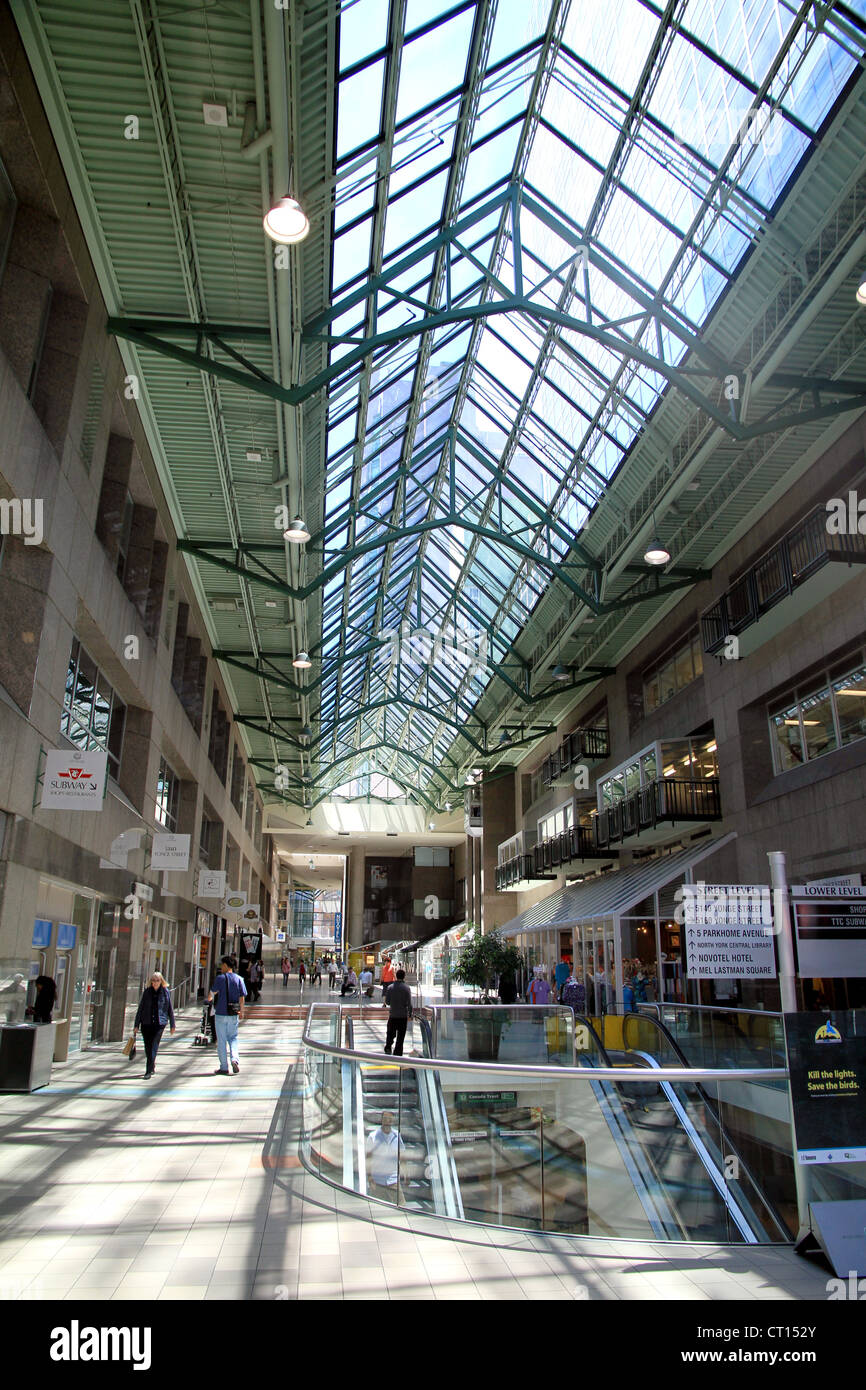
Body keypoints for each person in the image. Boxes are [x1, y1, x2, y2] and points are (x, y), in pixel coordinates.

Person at [207, 955, 246, 1075]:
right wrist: (241, 1011)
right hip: (233, 1013)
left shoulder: (220, 978)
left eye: (222, 965)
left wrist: (208, 1000)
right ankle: (234, 1059)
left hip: (220, 1014)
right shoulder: (239, 979)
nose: (221, 967)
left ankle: (224, 1067)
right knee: (233, 1038)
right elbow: (242, 997)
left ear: (225, 965)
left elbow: (211, 994)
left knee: (222, 1040)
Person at [133, 971, 176, 1079]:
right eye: (153, 980)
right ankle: (152, 1065)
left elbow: (169, 1008)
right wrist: (136, 1025)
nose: (155, 982)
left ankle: (148, 1071)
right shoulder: (147, 992)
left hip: (159, 1023)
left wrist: (172, 1024)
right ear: (151, 982)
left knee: (153, 1046)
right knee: (147, 1047)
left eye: (157, 980)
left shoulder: (165, 992)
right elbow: (141, 1008)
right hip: (146, 1023)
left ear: (161, 981)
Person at [365, 1111, 405, 1204]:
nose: (387, 1121)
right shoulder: (373, 1136)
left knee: (402, 1207)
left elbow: (402, 1155)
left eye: (390, 1119)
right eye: (385, 1119)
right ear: (381, 1120)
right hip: (378, 1182)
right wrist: (370, 1178)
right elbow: (368, 1158)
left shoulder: (397, 1136)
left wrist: (406, 1174)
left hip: (394, 1181)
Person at [383, 968, 412, 1055]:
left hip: (393, 1015)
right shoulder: (407, 988)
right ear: (404, 977)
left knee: (390, 1032)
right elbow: (409, 1003)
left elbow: (387, 1002)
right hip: (403, 1016)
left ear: (396, 976)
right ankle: (398, 1052)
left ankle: (388, 1046)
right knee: (401, 1035)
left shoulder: (390, 987)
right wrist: (410, 1013)